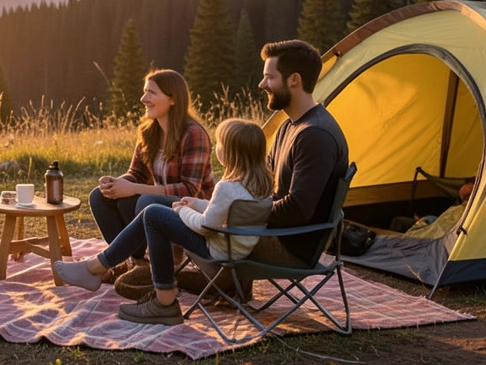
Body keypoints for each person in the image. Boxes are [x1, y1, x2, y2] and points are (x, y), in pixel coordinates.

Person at [54, 119, 273, 325]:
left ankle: (161, 301)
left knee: (153, 215)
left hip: (218, 252)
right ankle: (97, 267)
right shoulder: (259, 184)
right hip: (236, 250)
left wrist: (182, 211)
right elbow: (226, 210)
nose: (217, 148)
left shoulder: (226, 187)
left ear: (231, 153)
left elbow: (205, 226)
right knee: (153, 214)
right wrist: (196, 203)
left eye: (220, 144)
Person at [90, 69, 215, 279]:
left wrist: (134, 188)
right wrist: (116, 183)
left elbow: (189, 189)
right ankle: (132, 262)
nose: (143, 99)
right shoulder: (149, 132)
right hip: (161, 201)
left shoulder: (194, 134)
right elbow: (137, 174)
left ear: (173, 99)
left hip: (193, 207)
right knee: (99, 196)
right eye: (144, 91)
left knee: (145, 201)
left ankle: (142, 268)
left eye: (151, 93)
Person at [250, 39, 350, 268]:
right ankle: (224, 282)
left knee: (167, 218)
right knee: (183, 210)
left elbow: (297, 209)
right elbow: (264, 178)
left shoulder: (315, 135)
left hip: (289, 247)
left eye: (269, 77)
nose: (262, 84)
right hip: (271, 233)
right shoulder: (289, 126)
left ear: (294, 79)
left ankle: (170, 291)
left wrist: (240, 213)